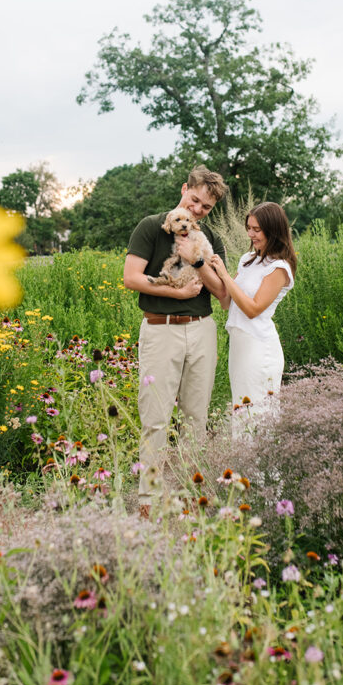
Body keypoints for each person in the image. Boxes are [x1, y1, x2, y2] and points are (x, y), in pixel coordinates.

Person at [124, 166, 228, 516]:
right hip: (161, 328)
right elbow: (131, 278)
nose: (198, 211)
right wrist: (176, 292)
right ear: (185, 189)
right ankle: (149, 504)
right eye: (195, 200)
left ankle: (188, 500)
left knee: (195, 419)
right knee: (155, 419)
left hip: (202, 330)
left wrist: (197, 262)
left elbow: (221, 292)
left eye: (206, 207)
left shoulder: (209, 238)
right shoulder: (151, 226)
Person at [209, 202, 296, 431]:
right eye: (249, 228)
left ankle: (262, 468)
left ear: (273, 230)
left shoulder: (279, 267)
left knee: (257, 415)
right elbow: (227, 302)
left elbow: (252, 309)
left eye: (256, 229)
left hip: (259, 349)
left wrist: (225, 276)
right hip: (240, 346)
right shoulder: (248, 259)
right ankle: (242, 467)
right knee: (242, 413)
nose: (250, 234)